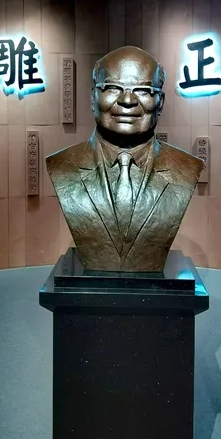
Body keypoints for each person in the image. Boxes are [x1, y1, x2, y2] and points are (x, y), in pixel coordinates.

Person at [46, 46, 203, 272]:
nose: (127, 100)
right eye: (112, 88)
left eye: (143, 90)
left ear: (161, 102)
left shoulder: (186, 169)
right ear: (93, 98)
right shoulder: (62, 166)